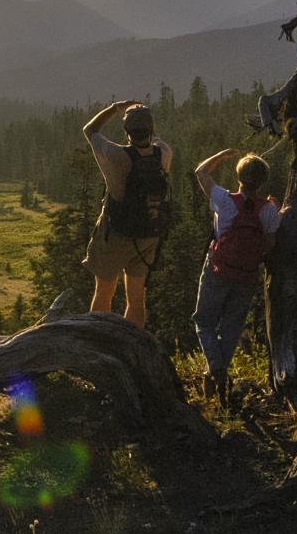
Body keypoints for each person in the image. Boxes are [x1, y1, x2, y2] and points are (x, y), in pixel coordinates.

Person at [192, 149, 281, 404]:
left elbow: (201, 172)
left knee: (204, 322)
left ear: (239, 177)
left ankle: (217, 369)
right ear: (262, 181)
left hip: (217, 269)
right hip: (247, 275)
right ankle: (216, 374)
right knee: (231, 327)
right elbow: (270, 244)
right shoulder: (269, 211)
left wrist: (220, 155)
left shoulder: (224, 200)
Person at [81, 100, 172, 328]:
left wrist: (115, 107)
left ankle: (99, 341)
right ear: (151, 129)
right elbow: (157, 141)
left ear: (126, 131)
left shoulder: (115, 155)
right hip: (149, 234)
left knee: (104, 293)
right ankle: (133, 346)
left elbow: (89, 130)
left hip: (116, 234)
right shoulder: (164, 154)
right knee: (137, 298)